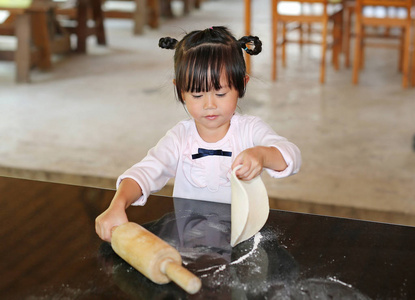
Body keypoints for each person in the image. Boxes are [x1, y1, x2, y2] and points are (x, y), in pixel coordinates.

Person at [95, 26, 301, 242]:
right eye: (196, 94)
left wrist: (262, 155)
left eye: (220, 93)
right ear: (181, 91)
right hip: (190, 241)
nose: (209, 105)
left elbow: (292, 157)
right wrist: (117, 205)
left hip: (242, 238)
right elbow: (144, 173)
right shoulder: (179, 138)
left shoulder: (250, 130)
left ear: (242, 84)